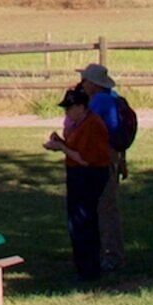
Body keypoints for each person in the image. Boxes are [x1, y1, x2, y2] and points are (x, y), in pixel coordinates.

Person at [44, 84, 116, 285]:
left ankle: (89, 269)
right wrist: (60, 143)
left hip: (89, 175)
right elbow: (74, 149)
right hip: (78, 174)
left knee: (84, 221)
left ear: (82, 107)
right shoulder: (79, 125)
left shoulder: (92, 125)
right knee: (76, 222)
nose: (67, 112)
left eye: (70, 107)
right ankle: (82, 266)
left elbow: (84, 158)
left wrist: (60, 147)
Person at [77, 61, 138, 277]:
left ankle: (111, 256)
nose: (81, 84)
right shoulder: (112, 99)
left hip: (100, 158)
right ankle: (111, 253)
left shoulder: (98, 102)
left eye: (85, 80)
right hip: (112, 156)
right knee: (108, 206)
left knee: (104, 208)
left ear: (93, 84)